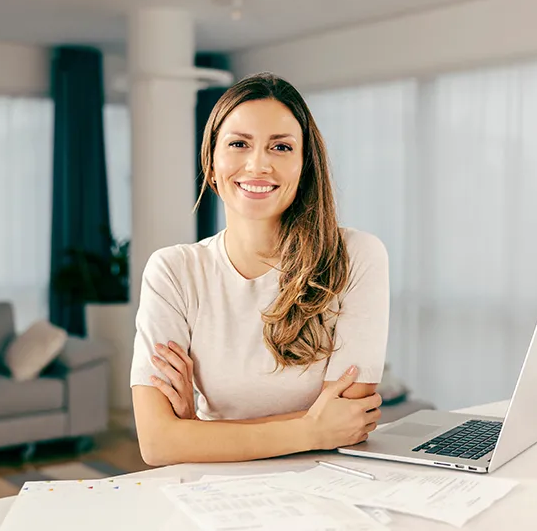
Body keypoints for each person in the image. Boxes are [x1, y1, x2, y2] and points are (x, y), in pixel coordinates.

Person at [130, 72, 390, 466]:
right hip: (213, 489)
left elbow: (349, 420)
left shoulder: (355, 256)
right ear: (212, 162)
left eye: (281, 147)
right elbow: (156, 443)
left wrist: (195, 431)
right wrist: (311, 429)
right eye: (238, 144)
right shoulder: (173, 270)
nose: (258, 165)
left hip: (329, 480)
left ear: (304, 166)